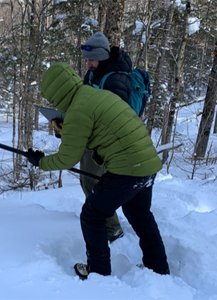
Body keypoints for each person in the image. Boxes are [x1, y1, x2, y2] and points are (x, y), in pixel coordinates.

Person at [27, 62, 169, 279]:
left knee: (92, 215)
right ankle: (158, 267)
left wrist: (40, 162)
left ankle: (98, 271)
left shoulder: (76, 109)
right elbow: (105, 137)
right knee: (140, 215)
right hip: (147, 164)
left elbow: (67, 159)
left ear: (55, 94)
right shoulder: (96, 94)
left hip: (128, 168)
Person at [80, 31, 133, 242]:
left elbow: (112, 117)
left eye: (91, 60)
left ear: (102, 56)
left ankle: (111, 229)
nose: (87, 65)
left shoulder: (117, 79)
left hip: (108, 142)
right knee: (87, 181)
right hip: (91, 136)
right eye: (85, 60)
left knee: (94, 183)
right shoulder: (93, 75)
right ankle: (98, 219)